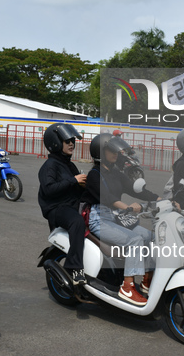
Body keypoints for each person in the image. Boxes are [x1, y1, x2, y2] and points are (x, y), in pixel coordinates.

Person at [82, 133, 159, 306]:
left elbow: (134, 189)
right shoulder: (95, 174)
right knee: (135, 240)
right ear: (101, 152)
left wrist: (158, 198)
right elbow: (107, 198)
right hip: (98, 218)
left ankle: (147, 280)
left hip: (115, 216)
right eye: (111, 150)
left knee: (150, 236)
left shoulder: (116, 172)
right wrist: (128, 207)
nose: (116, 154)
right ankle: (127, 287)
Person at [38, 123, 87, 285]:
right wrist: (73, 180)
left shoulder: (68, 164)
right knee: (77, 222)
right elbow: (49, 189)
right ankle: (75, 267)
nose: (71, 143)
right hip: (57, 209)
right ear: (56, 143)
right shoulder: (49, 166)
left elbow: (77, 187)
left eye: (72, 140)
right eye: (67, 141)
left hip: (71, 205)